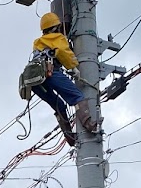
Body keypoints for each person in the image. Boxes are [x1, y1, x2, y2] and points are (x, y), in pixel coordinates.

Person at [30, 12, 99, 145]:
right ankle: (90, 125)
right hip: (50, 73)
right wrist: (73, 67)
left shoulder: (37, 42)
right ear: (55, 27)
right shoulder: (57, 37)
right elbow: (63, 52)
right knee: (77, 96)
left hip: (34, 80)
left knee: (59, 105)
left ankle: (70, 138)